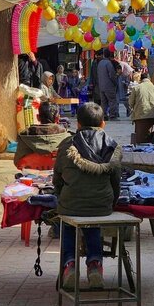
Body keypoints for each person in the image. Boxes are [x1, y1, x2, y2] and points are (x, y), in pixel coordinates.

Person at [53, 103, 122, 291]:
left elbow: (57, 179)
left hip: (71, 204)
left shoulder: (67, 145)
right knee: (93, 222)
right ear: (102, 124)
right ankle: (95, 265)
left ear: (78, 124)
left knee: (68, 222)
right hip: (102, 205)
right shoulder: (112, 145)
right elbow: (116, 182)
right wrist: (110, 203)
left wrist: (62, 196)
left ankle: (69, 264)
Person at [14, 100, 69, 169]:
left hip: (31, 175)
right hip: (58, 176)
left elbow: (17, 162)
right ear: (57, 118)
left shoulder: (24, 136)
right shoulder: (67, 137)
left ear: (38, 117)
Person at [128, 71, 154, 143]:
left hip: (140, 115)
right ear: (149, 79)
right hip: (153, 115)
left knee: (140, 138)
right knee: (150, 135)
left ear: (141, 79)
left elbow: (130, 103)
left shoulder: (136, 88)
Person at [97, 49, 119, 120]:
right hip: (109, 86)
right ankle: (112, 115)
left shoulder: (100, 63)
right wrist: (115, 82)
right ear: (109, 55)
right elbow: (112, 75)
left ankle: (104, 115)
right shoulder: (108, 63)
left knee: (103, 102)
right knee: (112, 101)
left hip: (101, 86)